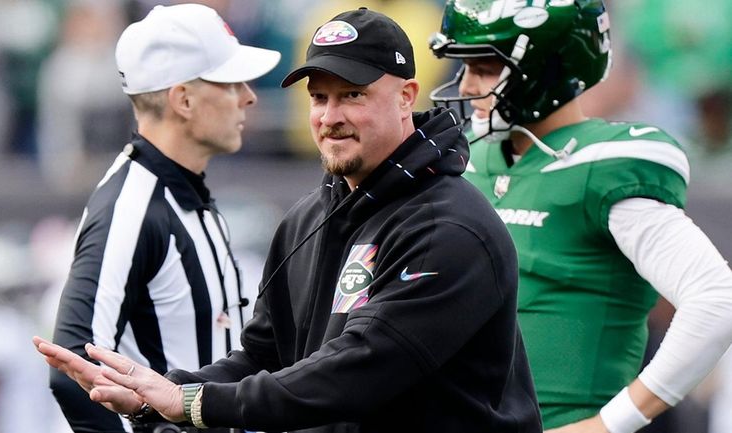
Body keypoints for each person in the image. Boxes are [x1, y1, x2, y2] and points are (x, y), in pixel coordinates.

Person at [35, 8, 543, 433]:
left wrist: (188, 402)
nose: (330, 115)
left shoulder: (450, 227)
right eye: (319, 97)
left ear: (407, 96)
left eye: (353, 95)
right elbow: (264, 354)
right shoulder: (307, 218)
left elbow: (358, 371)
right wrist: (164, 395)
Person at [428, 1, 732, 432]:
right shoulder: (467, 157)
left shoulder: (604, 164)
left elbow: (716, 299)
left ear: (546, 68)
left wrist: (610, 424)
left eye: (485, 67)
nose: (466, 84)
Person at [47, 3, 280, 432]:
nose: (249, 96)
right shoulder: (131, 208)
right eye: (231, 83)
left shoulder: (182, 193)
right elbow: (74, 367)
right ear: (184, 99)